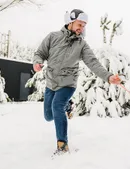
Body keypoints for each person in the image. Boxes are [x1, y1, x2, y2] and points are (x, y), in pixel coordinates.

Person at [33, 9, 121, 154]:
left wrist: (108, 76)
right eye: (79, 24)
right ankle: (68, 106)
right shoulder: (52, 37)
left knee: (57, 106)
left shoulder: (81, 45)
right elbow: (40, 53)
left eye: (84, 25)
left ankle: (62, 145)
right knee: (48, 116)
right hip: (51, 82)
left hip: (68, 83)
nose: (82, 28)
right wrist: (37, 62)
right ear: (70, 22)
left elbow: (93, 62)